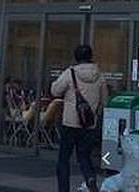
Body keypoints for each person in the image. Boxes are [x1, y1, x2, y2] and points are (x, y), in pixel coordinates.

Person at [51, 44, 108, 192]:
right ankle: (90, 178)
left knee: (64, 158)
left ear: (76, 57)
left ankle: (64, 189)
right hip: (89, 124)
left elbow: (55, 91)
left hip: (70, 123)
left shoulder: (70, 73)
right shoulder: (99, 76)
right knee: (84, 156)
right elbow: (105, 100)